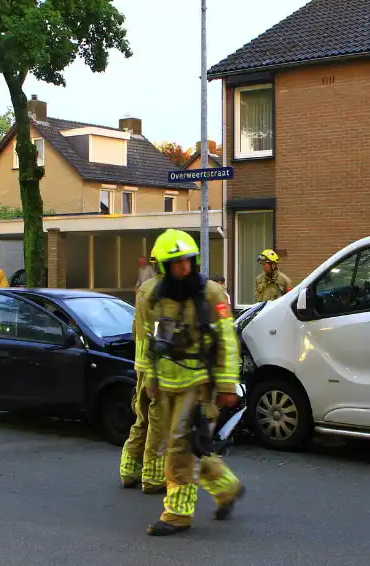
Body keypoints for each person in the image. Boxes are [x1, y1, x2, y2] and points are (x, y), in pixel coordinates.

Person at [138, 229, 246, 536]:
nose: (184, 267)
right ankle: (228, 488)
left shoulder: (211, 295)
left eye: (188, 260)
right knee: (195, 446)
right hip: (167, 381)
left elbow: (227, 339)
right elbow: (149, 339)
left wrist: (227, 386)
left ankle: (178, 513)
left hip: (200, 383)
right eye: (177, 262)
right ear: (164, 267)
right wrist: (150, 378)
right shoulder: (153, 296)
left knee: (179, 448)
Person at [119, 251, 166, 495]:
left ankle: (129, 470)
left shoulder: (144, 288)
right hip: (156, 365)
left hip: (141, 363)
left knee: (142, 418)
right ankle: (153, 478)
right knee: (157, 422)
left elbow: (136, 327)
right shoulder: (164, 292)